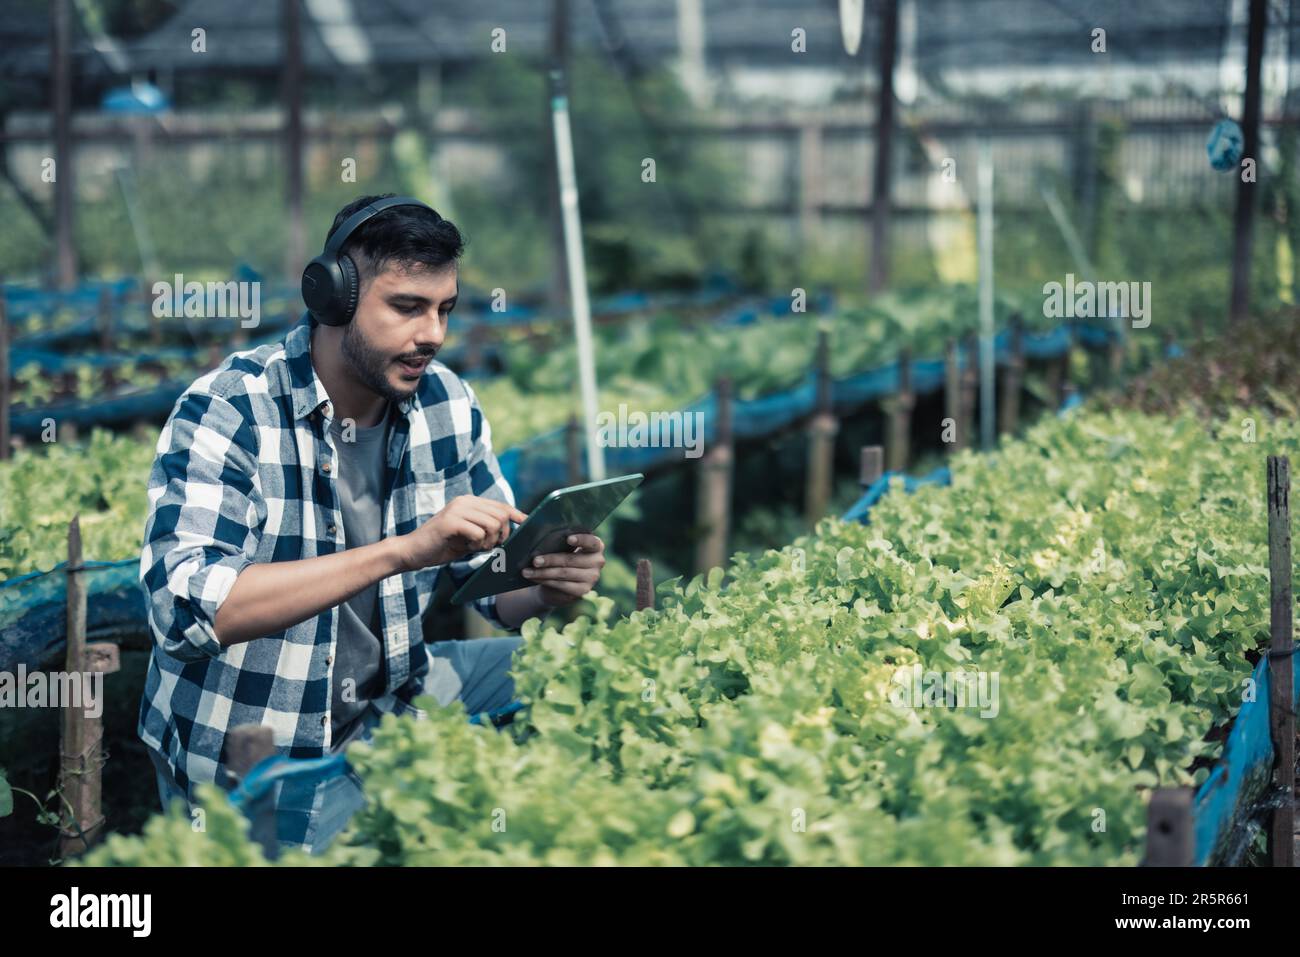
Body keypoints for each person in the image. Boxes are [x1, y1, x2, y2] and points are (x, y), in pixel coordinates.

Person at [138, 194, 606, 853]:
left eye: (444, 308)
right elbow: (182, 610)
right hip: (260, 740)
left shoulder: (445, 401)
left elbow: (492, 585)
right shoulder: (231, 407)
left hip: (392, 698)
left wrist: (549, 586)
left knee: (578, 673)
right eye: (407, 307)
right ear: (332, 297)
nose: (433, 334)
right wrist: (401, 552)